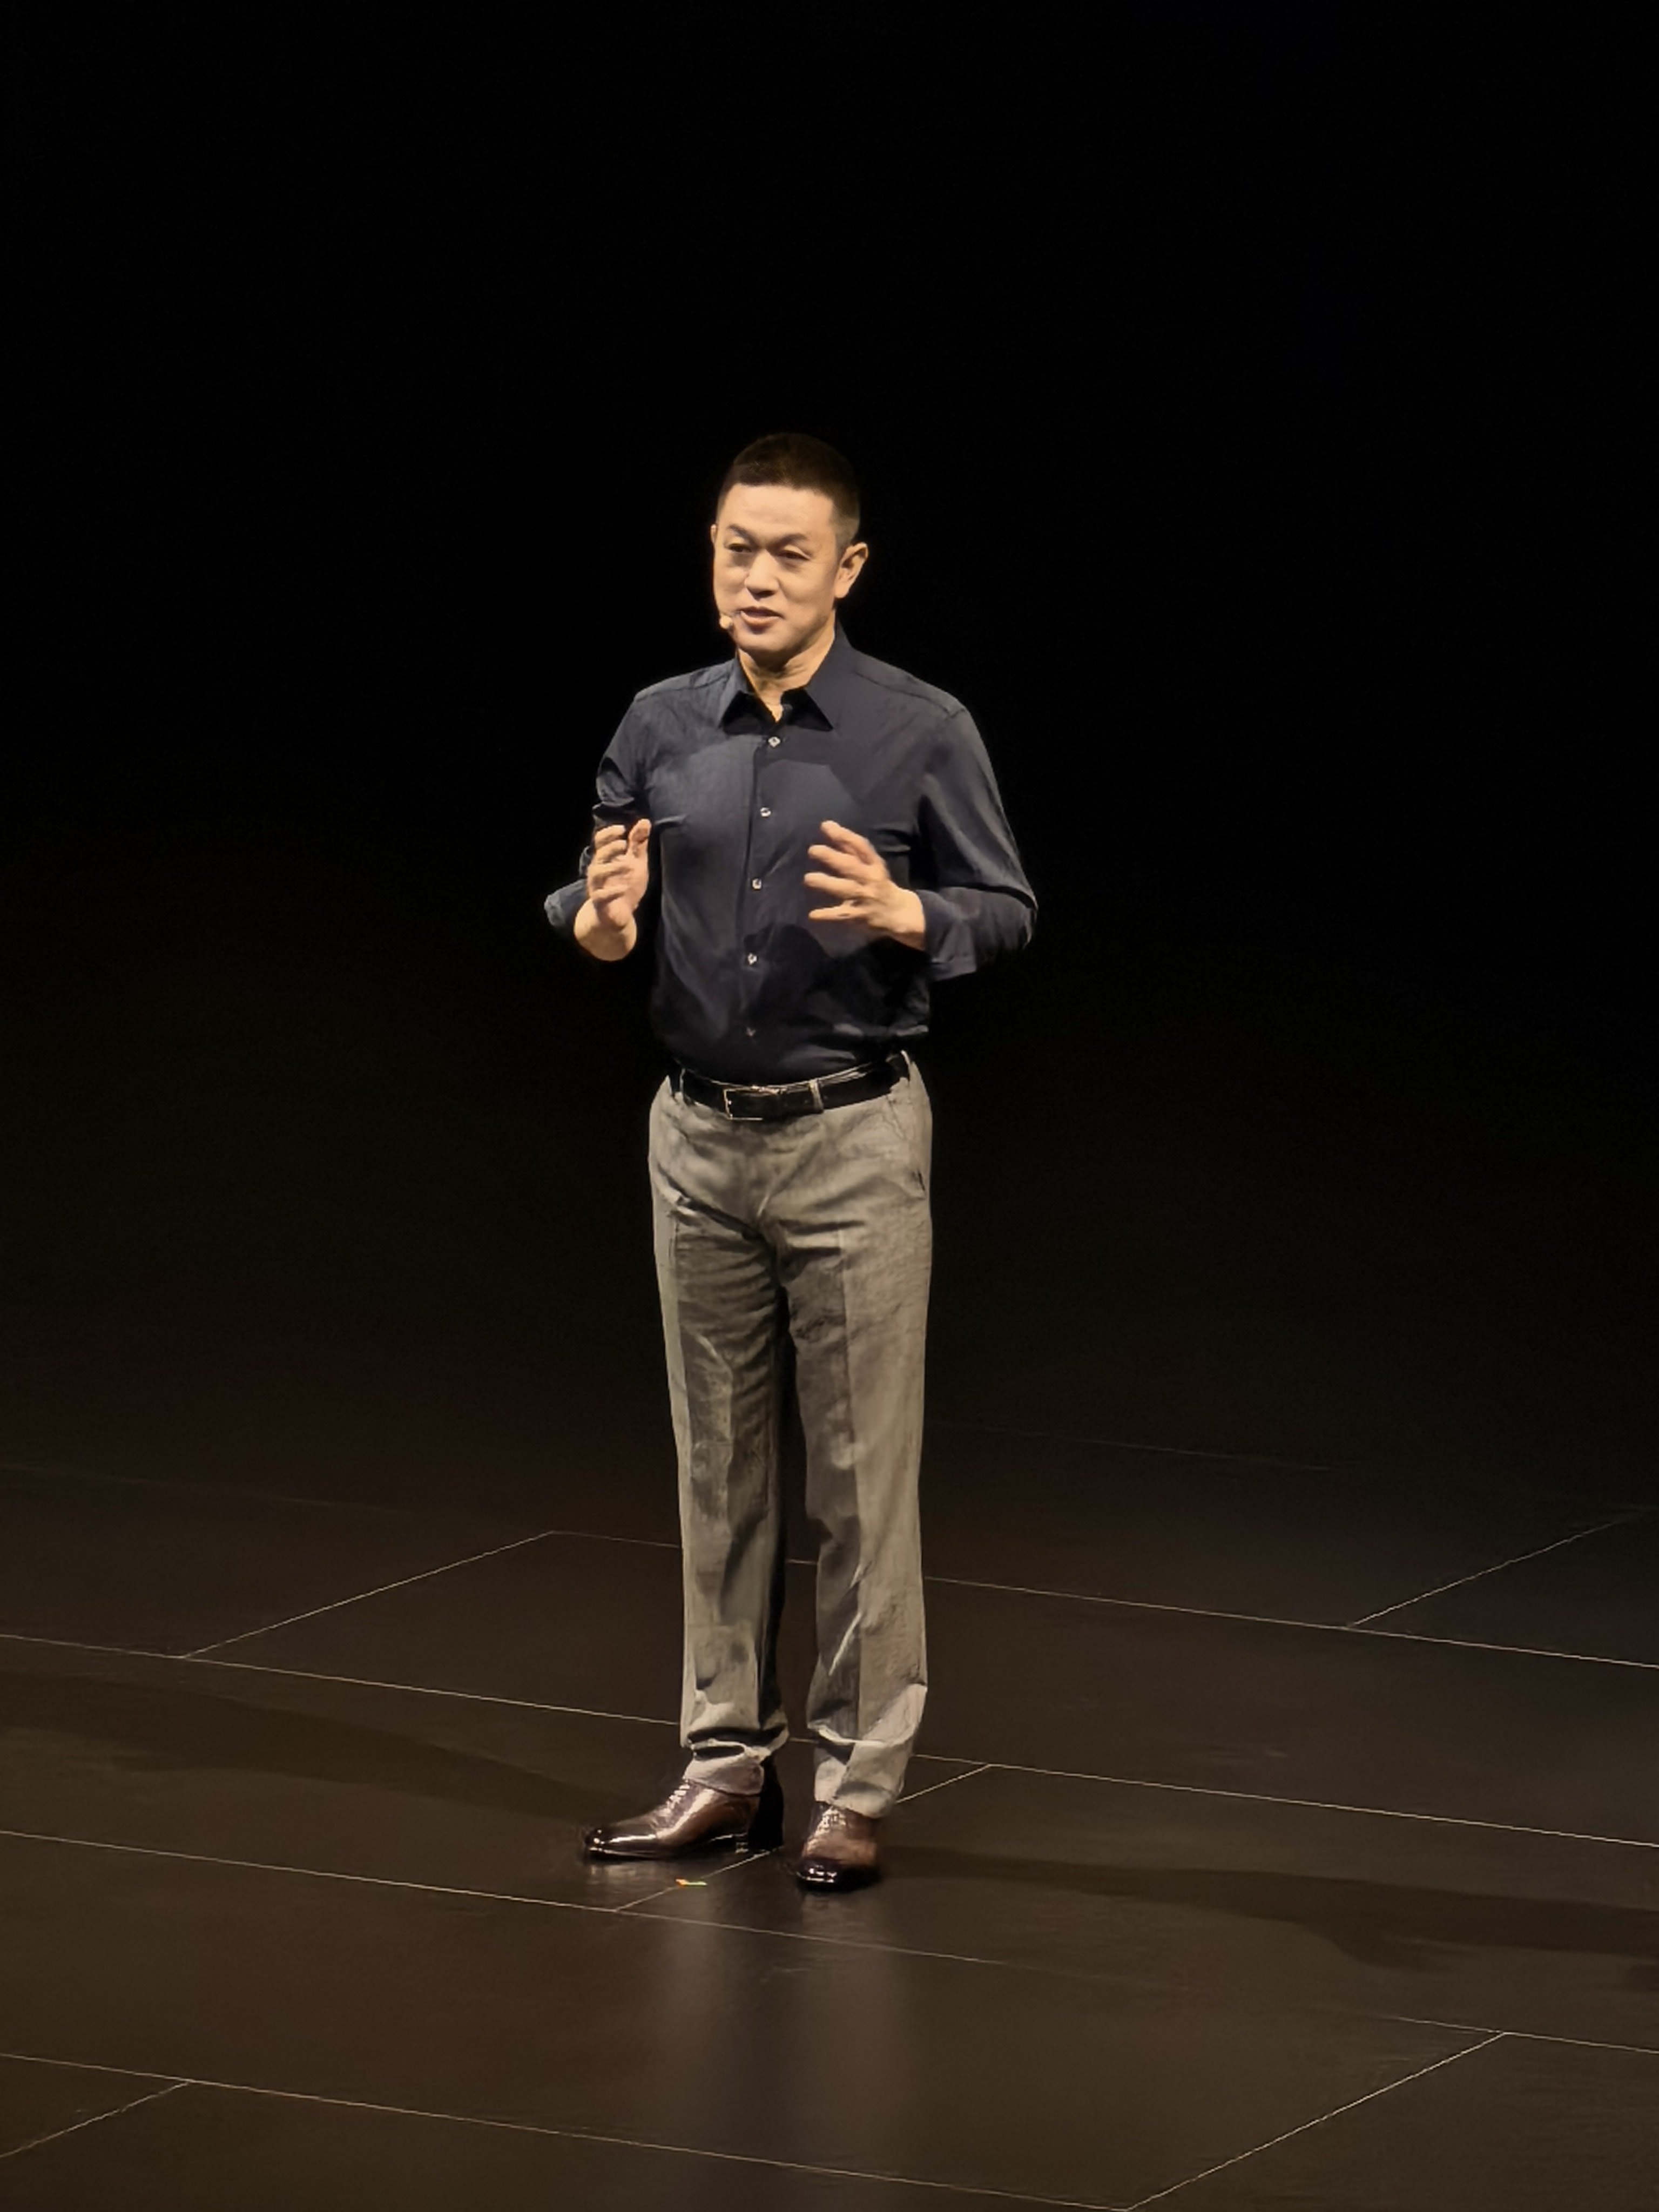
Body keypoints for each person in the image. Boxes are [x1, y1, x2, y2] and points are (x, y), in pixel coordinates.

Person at [545, 433, 1033, 1890]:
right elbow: (597, 897)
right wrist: (601, 923)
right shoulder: (658, 721)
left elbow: (1004, 904)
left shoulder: (918, 729)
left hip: (851, 1133)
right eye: (735, 549)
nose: (756, 578)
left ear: (847, 569)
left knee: (862, 1478)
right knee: (719, 1470)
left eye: (788, 555)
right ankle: (723, 1768)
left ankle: (856, 1785)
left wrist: (912, 917)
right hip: (697, 1136)